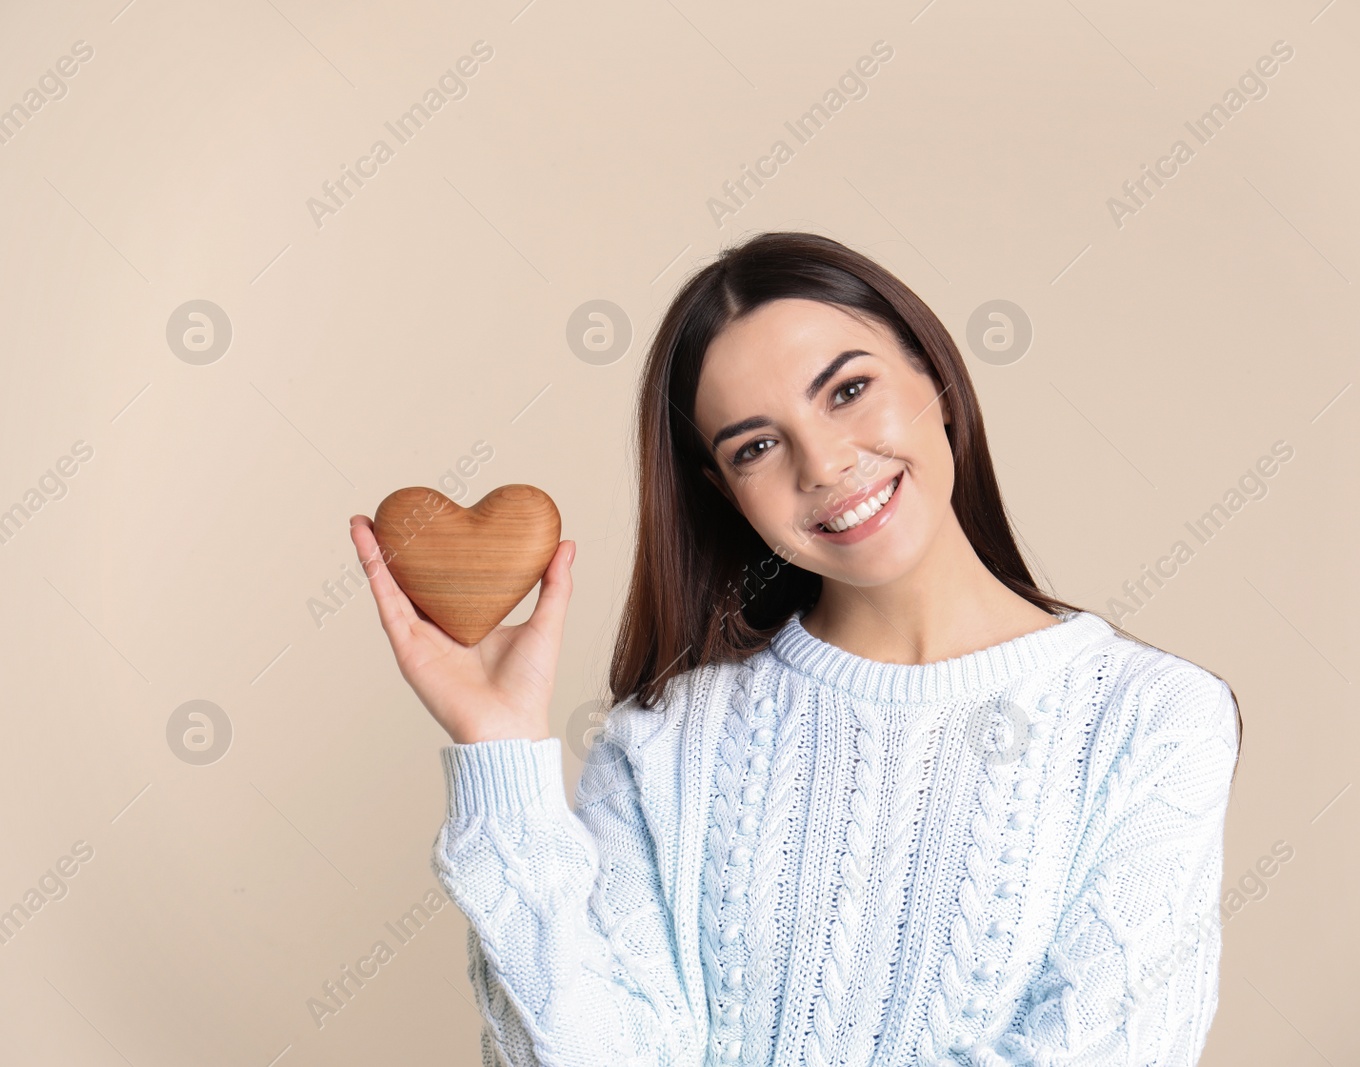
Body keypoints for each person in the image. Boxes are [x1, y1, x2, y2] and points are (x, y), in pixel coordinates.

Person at [349, 231, 1243, 1066]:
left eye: (849, 390)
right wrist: (499, 751)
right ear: (724, 489)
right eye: (757, 446)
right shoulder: (665, 739)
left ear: (932, 373)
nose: (821, 464)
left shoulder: (1154, 719)